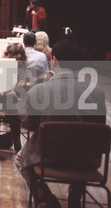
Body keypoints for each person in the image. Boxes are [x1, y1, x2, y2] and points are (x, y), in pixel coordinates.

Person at [16, 38, 106, 208]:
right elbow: (99, 129)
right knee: (81, 143)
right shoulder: (97, 93)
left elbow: (28, 125)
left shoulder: (38, 91)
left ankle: (45, 198)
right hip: (86, 161)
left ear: (54, 60)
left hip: (48, 158)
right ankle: (75, 198)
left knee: (21, 159)